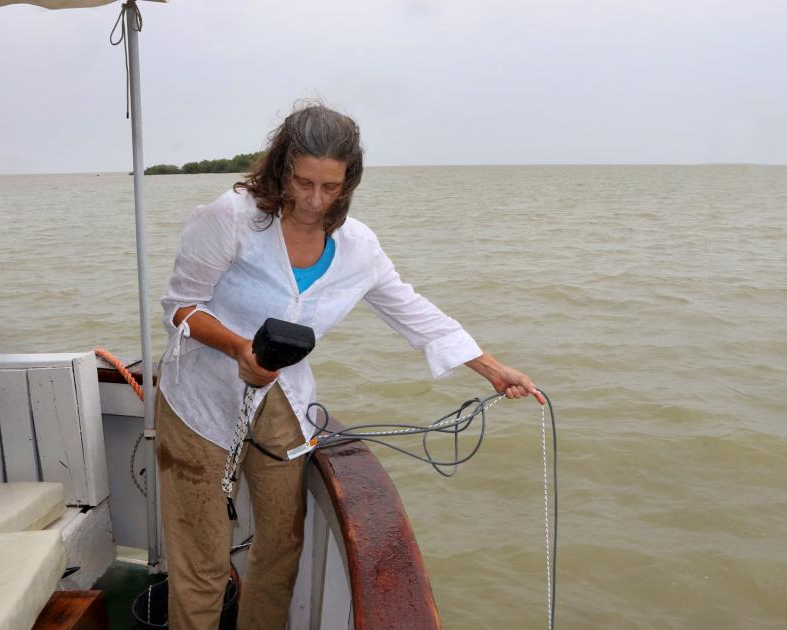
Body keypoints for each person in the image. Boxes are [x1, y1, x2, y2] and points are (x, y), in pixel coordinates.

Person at [156, 102, 543, 629]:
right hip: (198, 400)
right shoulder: (230, 218)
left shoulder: (358, 247)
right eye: (302, 182)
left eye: (330, 187)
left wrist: (495, 370)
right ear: (281, 167)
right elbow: (180, 306)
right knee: (201, 560)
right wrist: (237, 348)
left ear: (349, 182)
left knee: (281, 546)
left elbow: (413, 310)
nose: (315, 201)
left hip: (280, 402)